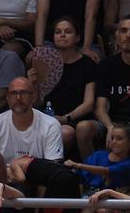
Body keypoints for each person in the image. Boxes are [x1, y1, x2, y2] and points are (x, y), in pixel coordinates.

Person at [77, 16, 130, 181]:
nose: (128, 35)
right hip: (112, 122)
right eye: (123, 31)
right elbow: (100, 108)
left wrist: (126, 129)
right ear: (117, 37)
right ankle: (95, 181)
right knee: (83, 128)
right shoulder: (107, 65)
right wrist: (111, 127)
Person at [38, 17, 98, 153]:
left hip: (75, 119)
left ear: (77, 37)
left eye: (68, 31)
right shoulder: (45, 63)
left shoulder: (87, 64)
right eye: (58, 32)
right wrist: (33, 84)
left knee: (64, 133)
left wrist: (66, 118)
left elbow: (89, 103)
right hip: (47, 117)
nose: (62, 35)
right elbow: (37, 102)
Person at [0, 77, 64, 165]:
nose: (18, 98)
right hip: (2, 178)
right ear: (7, 98)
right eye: (13, 93)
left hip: (38, 178)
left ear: (33, 97)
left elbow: (52, 168)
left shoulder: (51, 125)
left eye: (24, 93)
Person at [33, 0, 104, 59]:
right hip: (53, 40)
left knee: (91, 60)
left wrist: (86, 48)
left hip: (83, 40)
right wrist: (39, 46)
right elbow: (41, 15)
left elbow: (91, 15)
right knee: (41, 60)